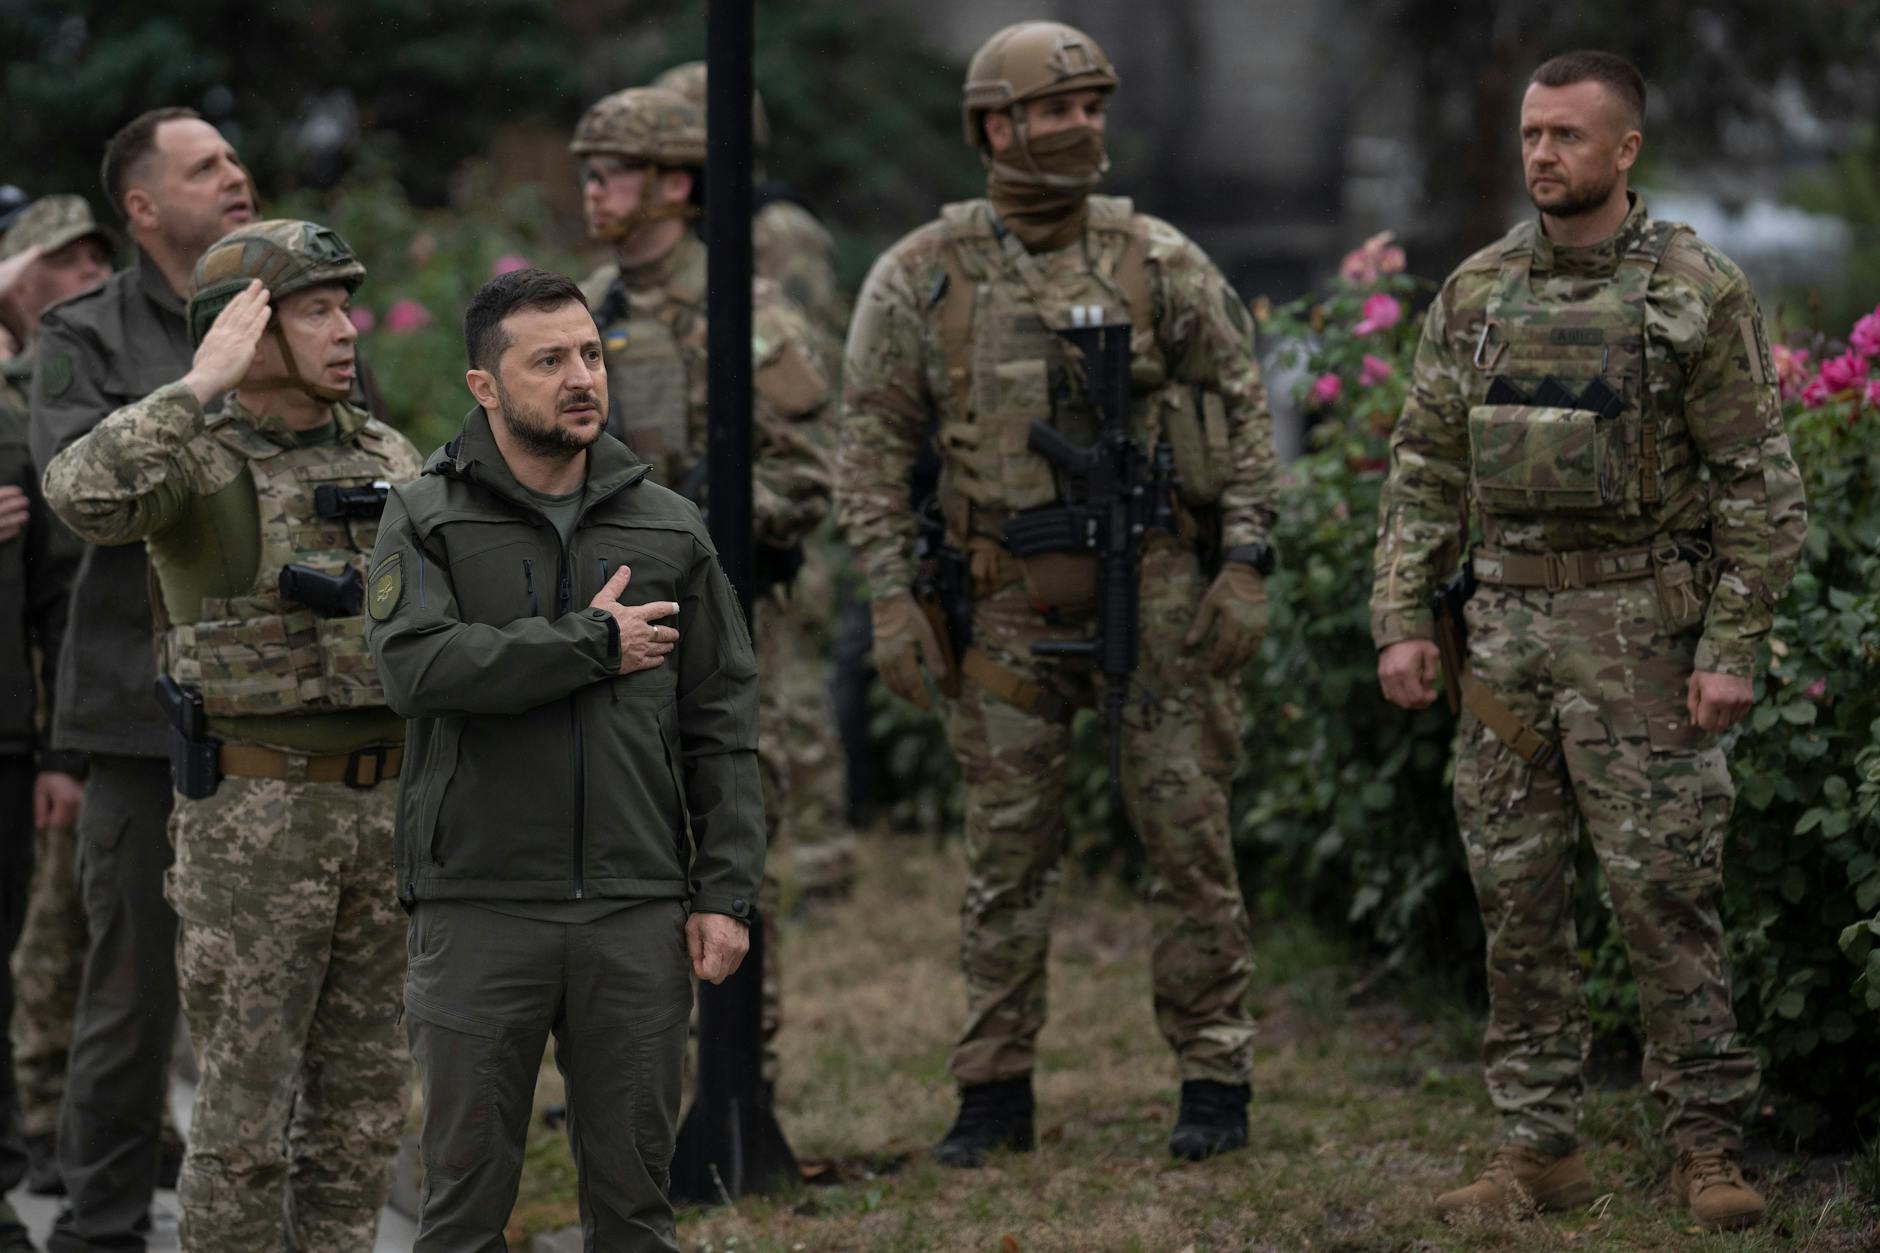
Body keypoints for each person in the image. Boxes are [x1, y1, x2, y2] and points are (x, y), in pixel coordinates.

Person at [1370, 50, 1807, 1232]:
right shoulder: (1473, 292)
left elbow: (1757, 488)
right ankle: (1534, 1150)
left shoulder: (1691, 290)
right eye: (1529, 134)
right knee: (1514, 897)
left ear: (1624, 151)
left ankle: (1705, 1146)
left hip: (1641, 638)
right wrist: (1402, 620)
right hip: (1503, 635)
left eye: (1566, 136)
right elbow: (1420, 471)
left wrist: (1729, 645)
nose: (1540, 155)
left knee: (1664, 894)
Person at [838, 20, 1279, 1165]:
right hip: (1003, 609)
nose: (1083, 126)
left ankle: (1212, 1076)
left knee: (1186, 838)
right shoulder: (922, 273)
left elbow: (1241, 415)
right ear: (994, 125)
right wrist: (891, 595)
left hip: (1162, 592)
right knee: (1004, 852)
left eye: (1094, 107)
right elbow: (872, 448)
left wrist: (1243, 563)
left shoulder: (1159, 259)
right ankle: (992, 1089)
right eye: (1057, 108)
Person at [42, 218, 421, 1252]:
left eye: (346, 306)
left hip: (384, 812)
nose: (347, 330)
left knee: (359, 1118)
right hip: (257, 815)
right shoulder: (194, 455)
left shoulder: (386, 451)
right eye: (316, 310)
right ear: (246, 331)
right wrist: (196, 384)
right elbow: (78, 491)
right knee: (244, 1120)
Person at [367, 267, 765, 1251]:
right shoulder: (426, 515)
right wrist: (591, 642)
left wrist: (724, 889)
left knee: (636, 1207)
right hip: (478, 905)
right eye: (547, 360)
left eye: (589, 353)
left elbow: (722, 718)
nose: (581, 376)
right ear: (485, 387)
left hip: (633, 910)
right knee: (461, 1208)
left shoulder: (667, 526)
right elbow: (416, 667)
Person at [570, 85, 832, 1083]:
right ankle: (626, 1066)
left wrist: (700, 530)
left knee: (724, 845)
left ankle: (732, 1071)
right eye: (587, 173)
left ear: (675, 183)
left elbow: (808, 466)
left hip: (718, 623)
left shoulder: (742, 311)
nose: (594, 190)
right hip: (600, 630)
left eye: (613, 172)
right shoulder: (587, 307)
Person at [29, 106, 254, 1253]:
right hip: (135, 714)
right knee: (128, 996)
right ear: (143, 206)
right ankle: (104, 1222)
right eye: (204, 164)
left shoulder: (286, 305)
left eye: (233, 156)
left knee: (277, 986)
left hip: (282, 713)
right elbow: (84, 496)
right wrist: (205, 391)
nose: (235, 173)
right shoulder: (81, 334)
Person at [647, 60, 857, 900]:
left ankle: (820, 866)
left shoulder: (778, 234)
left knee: (793, 697)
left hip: (780, 470)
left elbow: (814, 360)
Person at [0, 194, 116, 1251]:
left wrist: (61, 741)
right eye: (63, 259)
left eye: (98, 260)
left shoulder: (72, 389)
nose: (87, 276)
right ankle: (31, 1128)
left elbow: (59, 584)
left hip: (33, 714)